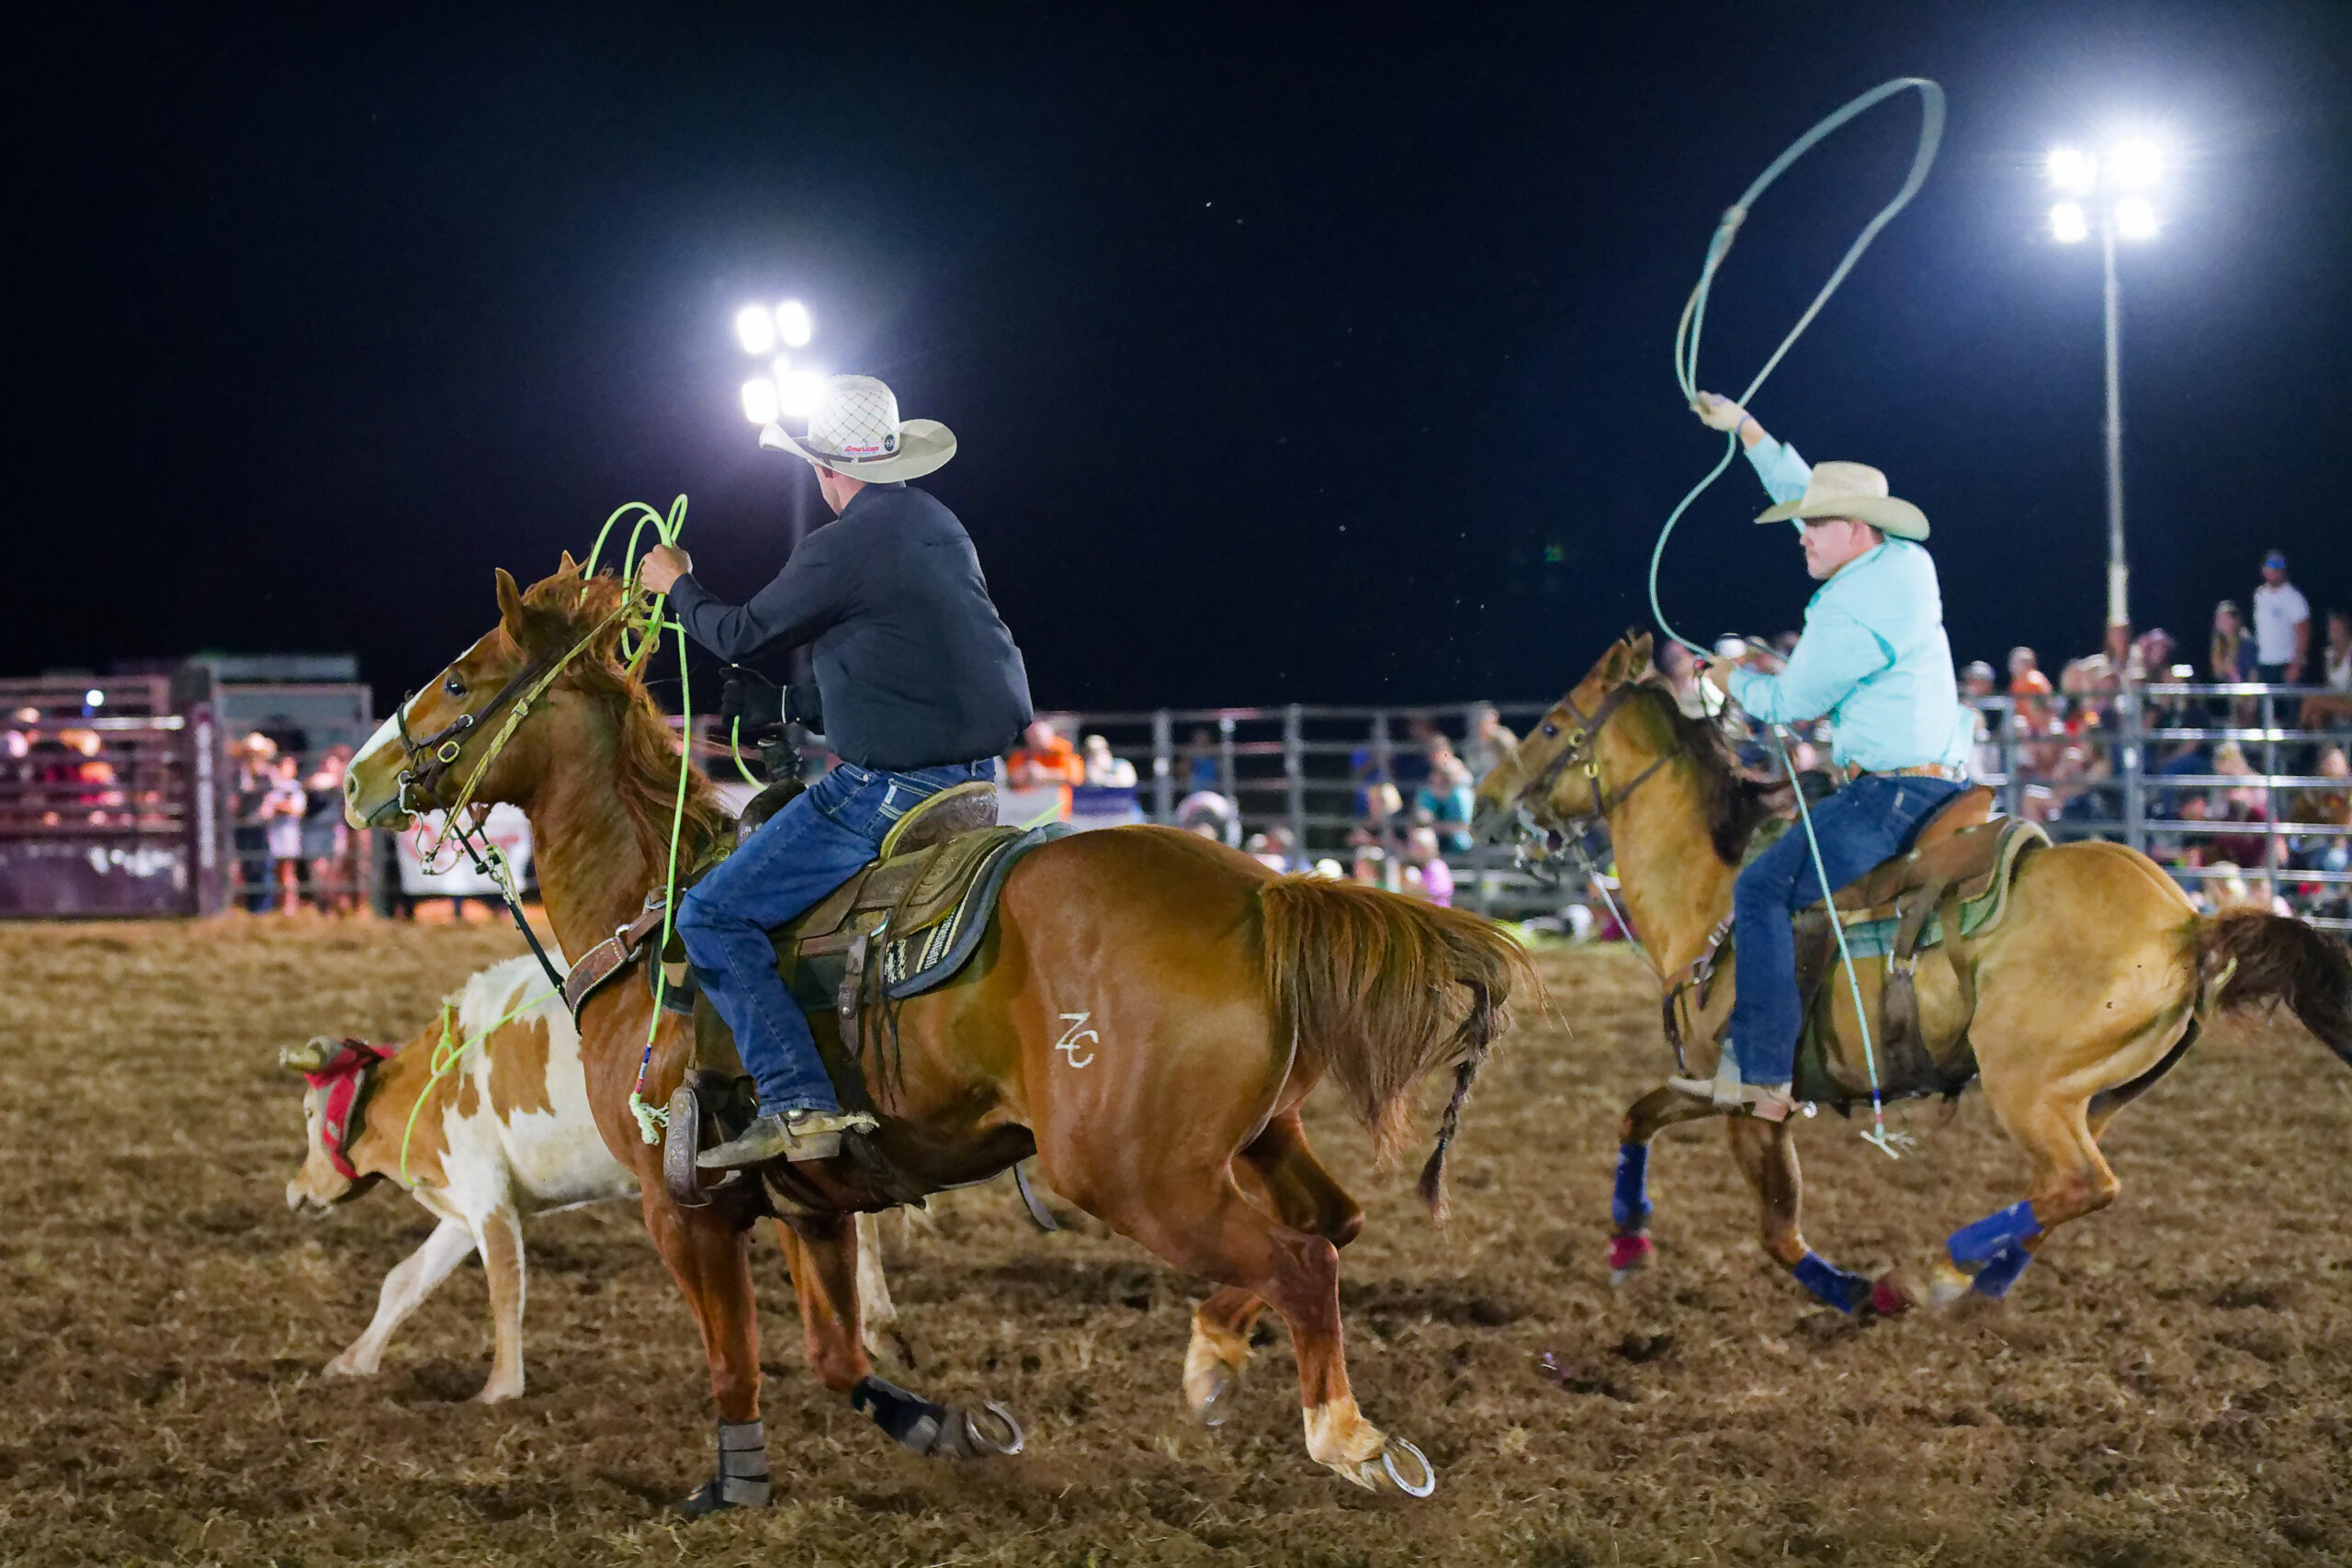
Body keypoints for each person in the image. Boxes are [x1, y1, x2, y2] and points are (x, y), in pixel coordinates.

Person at [639, 374, 1033, 1168]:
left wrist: (675, 583)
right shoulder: (938, 524)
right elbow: (905, 657)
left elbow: (741, 629)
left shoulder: (842, 543)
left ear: (825, 470)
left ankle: (798, 1100)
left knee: (712, 916)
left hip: (888, 789)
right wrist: (791, 700)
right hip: (974, 778)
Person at [1688, 390, 1971, 1122]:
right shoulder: (1900, 563)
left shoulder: (1852, 607)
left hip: (1892, 795)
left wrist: (1728, 677)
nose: (1800, 536)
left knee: (1760, 889)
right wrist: (1746, 428)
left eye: (1813, 526)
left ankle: (1766, 1076)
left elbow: (1788, 705)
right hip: (1938, 784)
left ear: (1853, 529)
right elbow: (1803, 492)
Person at [2251, 549, 2311, 687]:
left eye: (2279, 568)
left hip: (2286, 663)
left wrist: (2296, 665)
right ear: (2264, 570)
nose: (2276, 572)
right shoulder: (2259, 595)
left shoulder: (2294, 597)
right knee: (2267, 707)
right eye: (2272, 568)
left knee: (2291, 706)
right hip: (2265, 664)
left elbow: (2304, 632)